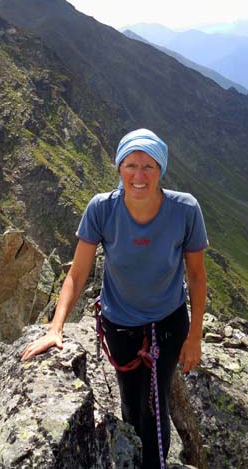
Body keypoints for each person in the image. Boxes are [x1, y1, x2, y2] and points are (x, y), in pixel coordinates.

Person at [21, 128, 208, 469]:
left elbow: (196, 275)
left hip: (168, 322)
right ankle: (134, 452)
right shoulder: (101, 209)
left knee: (155, 402)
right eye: (131, 165)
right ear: (119, 168)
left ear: (161, 170)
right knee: (129, 399)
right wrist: (55, 328)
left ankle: (152, 461)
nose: (139, 175)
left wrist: (194, 337)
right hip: (120, 322)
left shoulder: (185, 210)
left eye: (149, 166)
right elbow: (77, 274)